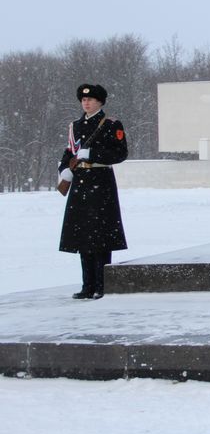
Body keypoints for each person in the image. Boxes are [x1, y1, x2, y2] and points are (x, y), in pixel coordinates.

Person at [57, 84, 128, 299]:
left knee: (101, 235)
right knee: (83, 235)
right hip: (80, 183)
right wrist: (64, 169)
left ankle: (101, 285)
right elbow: (69, 152)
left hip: (100, 181)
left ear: (100, 102)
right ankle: (87, 285)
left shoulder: (111, 124)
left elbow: (120, 153)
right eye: (83, 100)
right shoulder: (76, 126)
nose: (86, 103)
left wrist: (93, 154)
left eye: (90, 100)